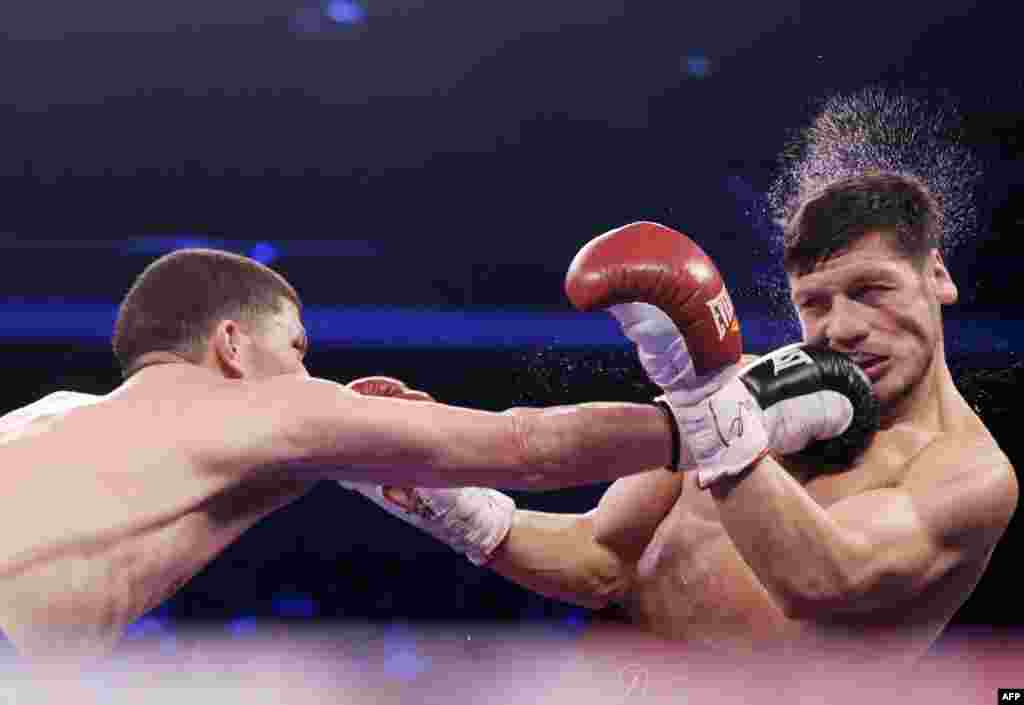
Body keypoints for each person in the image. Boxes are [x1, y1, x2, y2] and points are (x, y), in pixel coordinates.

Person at [0, 247, 859, 665]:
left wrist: (361, 458)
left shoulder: (60, 417)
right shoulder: (266, 404)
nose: (309, 373)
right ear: (232, 343)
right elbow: (522, 446)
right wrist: (707, 418)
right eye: (296, 347)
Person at [345, 173, 1018, 667]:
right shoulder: (741, 388)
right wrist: (456, 505)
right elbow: (600, 558)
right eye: (815, 303)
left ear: (937, 276)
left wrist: (709, 401)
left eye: (871, 290)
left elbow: (825, 578)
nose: (842, 327)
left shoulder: (968, 475)